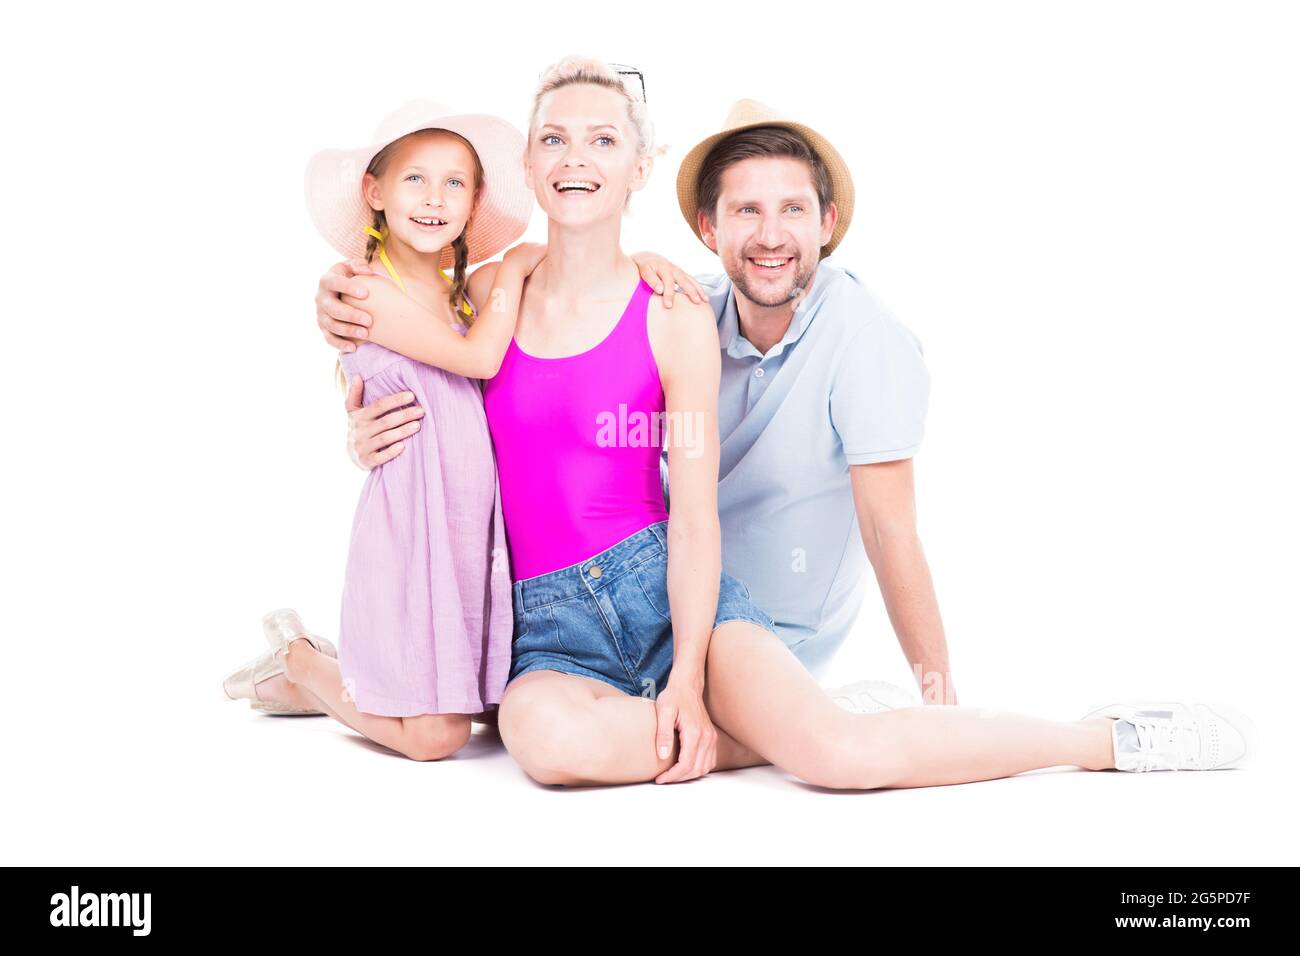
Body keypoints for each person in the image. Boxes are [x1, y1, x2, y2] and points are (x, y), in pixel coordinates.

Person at [317, 58, 1258, 787]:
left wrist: (687, 673)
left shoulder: (673, 309)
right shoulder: (491, 290)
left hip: (670, 590)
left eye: (603, 141)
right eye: (555, 141)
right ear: (526, 165)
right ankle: (757, 736)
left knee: (837, 757)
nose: (576, 160)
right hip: (547, 624)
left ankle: (1104, 739)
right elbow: (407, 370)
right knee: (542, 742)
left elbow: (692, 513)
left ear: (638, 167)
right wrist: (353, 413)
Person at [222, 101, 545, 761]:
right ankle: (304, 661)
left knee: (492, 711)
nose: (434, 198)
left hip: (470, 532)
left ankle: (337, 685)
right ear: (375, 192)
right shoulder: (363, 292)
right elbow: (480, 359)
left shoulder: (460, 298)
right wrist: (514, 266)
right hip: (412, 528)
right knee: (436, 737)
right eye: (414, 180)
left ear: (475, 198)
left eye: (454, 182)